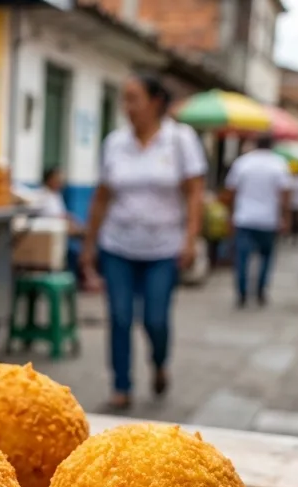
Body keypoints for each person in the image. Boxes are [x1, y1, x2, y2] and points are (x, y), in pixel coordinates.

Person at [83, 74, 206, 410]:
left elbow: (195, 193)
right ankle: (121, 386)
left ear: (155, 102)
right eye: (124, 99)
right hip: (118, 246)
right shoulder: (115, 143)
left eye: (133, 99)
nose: (127, 107)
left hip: (164, 249)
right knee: (120, 317)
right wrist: (89, 245)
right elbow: (102, 197)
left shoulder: (179, 140)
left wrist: (191, 239)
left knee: (155, 318)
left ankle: (159, 361)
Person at [223, 136, 292, 308]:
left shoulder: (243, 163)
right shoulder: (279, 164)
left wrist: (230, 215)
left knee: (242, 259)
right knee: (266, 258)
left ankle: (242, 293)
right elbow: (285, 195)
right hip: (268, 219)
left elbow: (230, 191)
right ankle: (260, 290)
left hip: (244, 218)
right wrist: (285, 218)